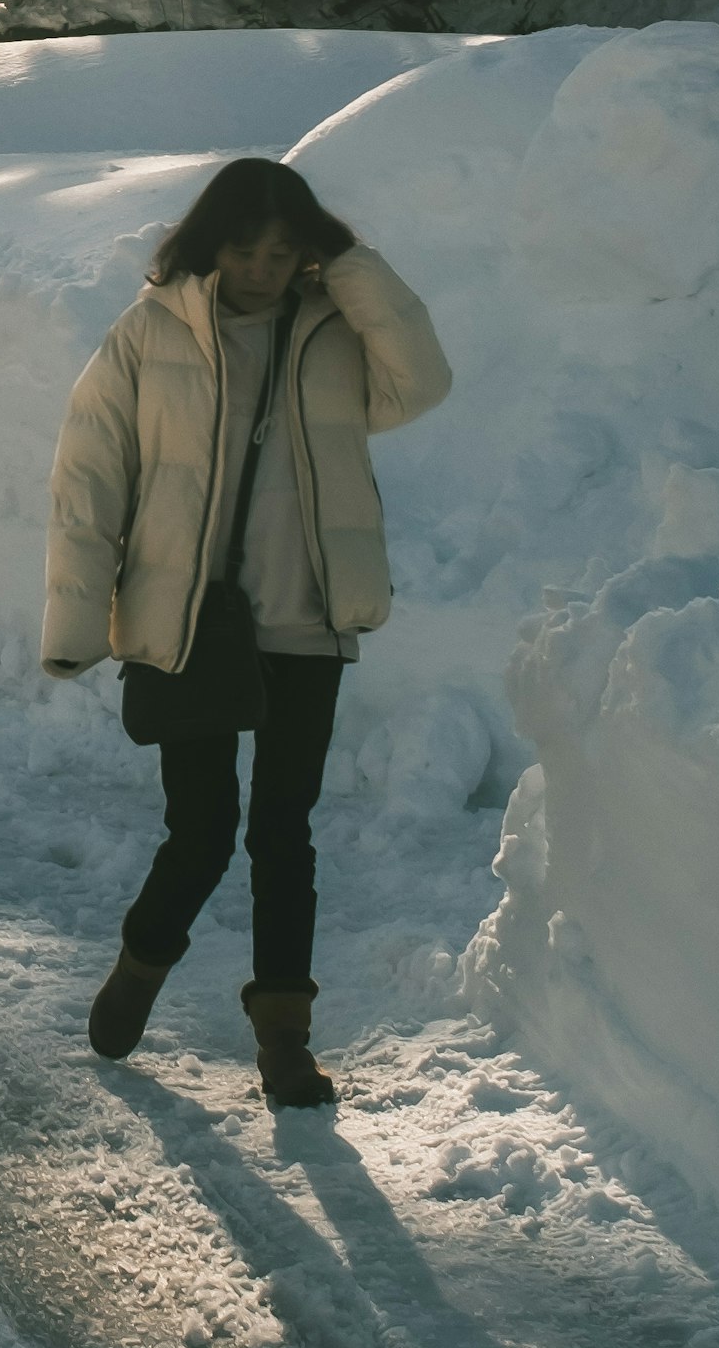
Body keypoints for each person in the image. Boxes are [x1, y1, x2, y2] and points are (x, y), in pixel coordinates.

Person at [42, 156, 451, 1109]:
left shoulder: (335, 336)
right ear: (207, 243)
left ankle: (283, 1039)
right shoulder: (148, 335)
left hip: (307, 618)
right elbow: (89, 478)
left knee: (283, 832)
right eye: (244, 249)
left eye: (284, 251)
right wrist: (77, 619)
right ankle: (143, 960)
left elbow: (422, 382)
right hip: (189, 626)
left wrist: (348, 263)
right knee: (203, 829)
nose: (264, 269)